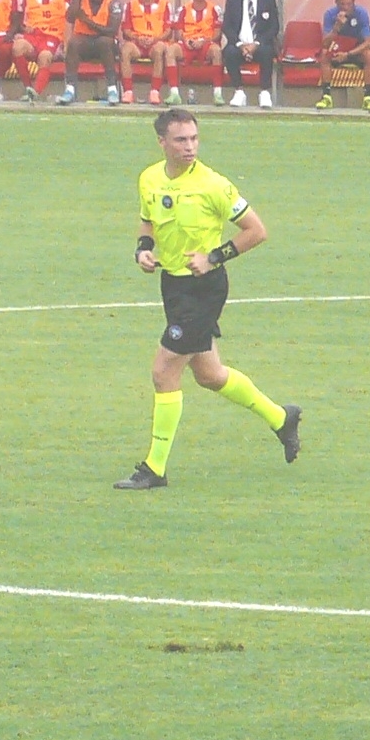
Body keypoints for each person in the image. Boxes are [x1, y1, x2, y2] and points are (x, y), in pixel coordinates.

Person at [115, 107, 304, 490]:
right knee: (209, 374)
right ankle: (281, 418)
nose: (190, 147)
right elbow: (147, 218)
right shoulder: (149, 178)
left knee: (164, 371)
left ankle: (154, 468)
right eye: (181, 140)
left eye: (194, 138)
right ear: (162, 142)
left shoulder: (213, 184)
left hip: (204, 289)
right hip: (173, 285)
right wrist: (143, 249)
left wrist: (213, 257)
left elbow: (256, 231)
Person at [222, 0, 280, 108]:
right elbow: (227, 26)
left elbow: (274, 27)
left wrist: (256, 43)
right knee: (229, 52)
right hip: (239, 45)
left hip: (260, 44)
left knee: (267, 52)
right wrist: (240, 45)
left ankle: (264, 92)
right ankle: (239, 91)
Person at [62, 0, 122, 105]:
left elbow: (112, 30)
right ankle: (70, 90)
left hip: (104, 42)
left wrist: (87, 21)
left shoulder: (113, 2)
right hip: (84, 41)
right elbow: (70, 17)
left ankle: (112, 89)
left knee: (105, 42)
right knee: (73, 42)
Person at [317, 0, 370, 111]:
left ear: (354, 3)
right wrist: (337, 27)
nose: (345, 7)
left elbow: (368, 42)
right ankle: (326, 96)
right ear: (336, 4)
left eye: (349, 4)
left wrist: (347, 54)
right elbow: (325, 43)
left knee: (369, 54)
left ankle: (368, 97)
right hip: (337, 49)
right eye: (342, 4)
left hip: (355, 51)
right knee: (324, 54)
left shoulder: (361, 13)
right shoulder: (330, 14)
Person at [120, 0, 173, 105]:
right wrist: (137, 38)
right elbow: (126, 29)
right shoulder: (130, 5)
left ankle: (155, 91)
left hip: (156, 42)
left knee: (159, 50)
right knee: (125, 50)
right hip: (137, 43)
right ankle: (128, 91)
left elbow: (168, 30)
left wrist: (155, 39)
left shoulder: (165, 4)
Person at [167, 0, 221, 106]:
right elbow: (178, 32)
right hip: (188, 44)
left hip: (206, 44)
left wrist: (203, 40)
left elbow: (217, 33)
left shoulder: (215, 9)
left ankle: (218, 94)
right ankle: (174, 93)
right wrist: (186, 40)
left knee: (217, 51)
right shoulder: (183, 9)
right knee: (171, 50)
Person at [19, 0, 69, 103]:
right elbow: (18, 22)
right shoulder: (27, 0)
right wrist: (24, 28)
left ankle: (36, 92)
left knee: (45, 56)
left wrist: (66, 43)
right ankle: (28, 87)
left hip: (52, 37)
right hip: (33, 37)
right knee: (17, 47)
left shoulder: (64, 0)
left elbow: (71, 22)